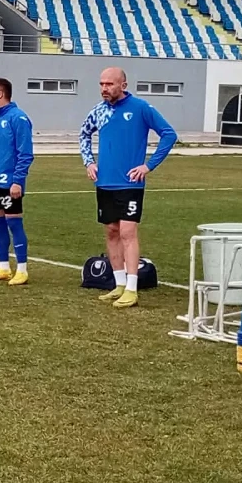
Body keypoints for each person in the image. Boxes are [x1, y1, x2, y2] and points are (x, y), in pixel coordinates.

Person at [79, 66, 178, 309]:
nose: (104, 88)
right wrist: (89, 162)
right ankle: (119, 284)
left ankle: (132, 289)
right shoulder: (99, 111)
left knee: (127, 232)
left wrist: (148, 166)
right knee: (111, 231)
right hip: (105, 182)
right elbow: (84, 134)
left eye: (109, 84)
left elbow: (169, 134)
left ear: (123, 85)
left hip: (130, 183)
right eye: (102, 84)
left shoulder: (141, 108)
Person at [0, 77, 34, 287]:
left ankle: (22, 270)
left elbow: (25, 153)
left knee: (14, 223)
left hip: (9, 183)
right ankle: (3, 267)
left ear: (0, 94)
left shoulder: (18, 118)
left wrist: (18, 181)